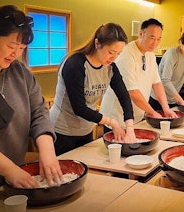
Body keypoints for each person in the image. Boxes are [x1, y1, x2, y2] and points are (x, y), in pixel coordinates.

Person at [0, 5, 63, 191]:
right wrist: (9, 169)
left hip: (15, 179)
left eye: (22, 48)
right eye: (11, 46)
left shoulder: (20, 72)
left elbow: (39, 111)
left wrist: (47, 150)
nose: (16, 54)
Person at [50, 23, 136, 156]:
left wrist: (129, 127)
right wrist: (112, 122)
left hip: (86, 129)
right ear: (97, 43)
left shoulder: (110, 67)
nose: (114, 58)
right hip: (62, 131)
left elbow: (124, 96)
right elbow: (79, 108)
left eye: (118, 54)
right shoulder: (75, 64)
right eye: (110, 52)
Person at [100, 18, 177, 125]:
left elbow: (157, 83)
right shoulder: (126, 54)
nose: (155, 43)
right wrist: (153, 112)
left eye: (159, 39)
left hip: (136, 117)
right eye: (152, 37)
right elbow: (133, 92)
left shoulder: (150, 54)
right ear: (141, 33)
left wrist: (166, 108)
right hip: (116, 118)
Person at [149, 30, 184, 110]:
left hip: (174, 99)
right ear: (181, 43)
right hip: (158, 99)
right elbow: (165, 80)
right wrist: (181, 101)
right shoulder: (172, 54)